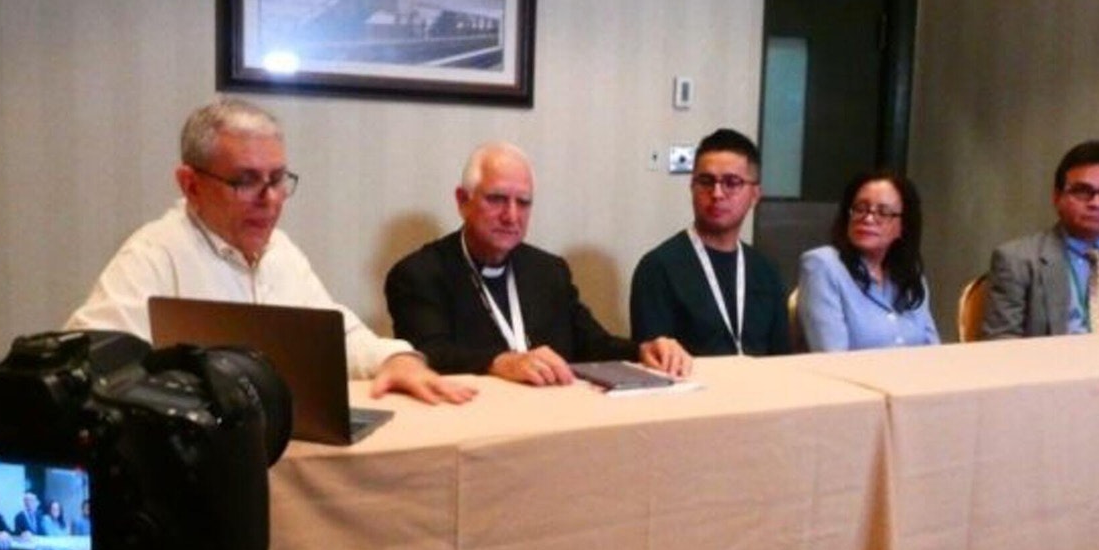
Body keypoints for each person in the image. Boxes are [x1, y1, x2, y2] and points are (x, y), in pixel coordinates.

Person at [66, 97, 474, 405]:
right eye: (246, 181)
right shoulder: (154, 254)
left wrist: (395, 359)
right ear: (190, 185)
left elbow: (335, 335)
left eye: (277, 179)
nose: (271, 199)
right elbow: (84, 363)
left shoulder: (280, 251)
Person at [384, 142, 693, 386]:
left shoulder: (548, 271)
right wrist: (501, 362)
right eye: (497, 199)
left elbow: (592, 343)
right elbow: (429, 353)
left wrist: (642, 350)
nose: (511, 216)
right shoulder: (418, 274)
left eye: (523, 202)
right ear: (463, 201)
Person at [981, 140, 1099, 338]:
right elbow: (1000, 343)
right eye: (1082, 191)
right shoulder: (1017, 261)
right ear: (1057, 197)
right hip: (1053, 366)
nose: (1096, 203)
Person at [629, 129, 791, 356]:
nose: (716, 193)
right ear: (691, 187)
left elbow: (781, 359)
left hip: (760, 387)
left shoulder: (766, 270)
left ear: (755, 195)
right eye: (706, 181)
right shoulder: (658, 268)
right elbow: (653, 359)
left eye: (731, 183)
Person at [797, 170, 940, 351]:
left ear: (903, 226)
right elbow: (832, 356)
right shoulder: (823, 265)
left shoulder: (911, 276)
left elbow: (933, 351)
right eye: (860, 208)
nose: (868, 218)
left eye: (883, 212)